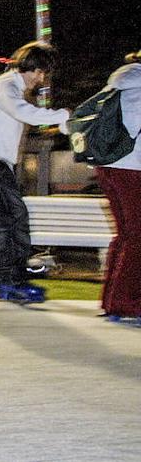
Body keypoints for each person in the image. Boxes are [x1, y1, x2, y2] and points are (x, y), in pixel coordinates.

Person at [0, 41, 69, 304]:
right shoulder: (5, 86)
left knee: (7, 221)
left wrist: (62, 123)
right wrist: (62, 115)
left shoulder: (11, 88)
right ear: (28, 66)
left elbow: (27, 115)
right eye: (39, 71)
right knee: (15, 217)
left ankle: (0, 282)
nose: (41, 79)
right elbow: (26, 114)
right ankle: (12, 280)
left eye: (44, 73)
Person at [97, 50, 141, 324]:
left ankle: (112, 300)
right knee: (137, 235)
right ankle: (126, 302)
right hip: (132, 167)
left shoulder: (119, 82)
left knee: (126, 234)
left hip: (108, 165)